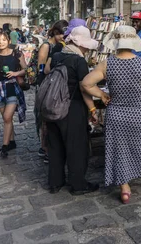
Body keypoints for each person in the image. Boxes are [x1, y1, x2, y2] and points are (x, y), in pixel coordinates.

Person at [83, 25, 141, 203]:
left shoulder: (108, 63)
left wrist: (102, 95)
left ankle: (125, 189)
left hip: (116, 114)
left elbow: (86, 84)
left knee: (119, 149)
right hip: (137, 112)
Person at [46, 26, 99, 195]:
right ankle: (78, 184)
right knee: (76, 147)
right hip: (72, 108)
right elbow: (85, 88)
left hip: (53, 106)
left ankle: (55, 182)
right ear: (80, 44)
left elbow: (47, 72)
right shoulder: (79, 61)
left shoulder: (56, 56)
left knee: (55, 145)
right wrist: (92, 109)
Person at [0, 31, 27, 158]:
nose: (1, 42)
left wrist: (16, 74)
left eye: (4, 40)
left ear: (9, 41)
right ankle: (12, 142)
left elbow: (26, 69)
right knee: (7, 119)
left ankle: (4, 146)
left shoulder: (16, 54)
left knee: (7, 117)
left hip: (12, 87)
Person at [35, 19, 68, 162]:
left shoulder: (60, 45)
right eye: (61, 33)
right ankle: (44, 148)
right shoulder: (46, 45)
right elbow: (41, 68)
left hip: (55, 83)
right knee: (45, 118)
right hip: (46, 83)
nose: (63, 36)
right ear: (55, 32)